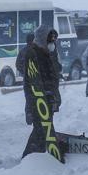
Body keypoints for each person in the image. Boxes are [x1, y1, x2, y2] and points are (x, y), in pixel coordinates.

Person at [22, 25, 62, 157]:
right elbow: (34, 80)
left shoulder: (47, 54)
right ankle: (30, 157)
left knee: (43, 129)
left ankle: (35, 155)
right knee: (41, 129)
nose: (52, 44)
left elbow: (53, 75)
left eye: (53, 42)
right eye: (49, 41)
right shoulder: (33, 53)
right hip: (38, 99)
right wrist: (44, 96)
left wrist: (54, 95)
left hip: (47, 97)